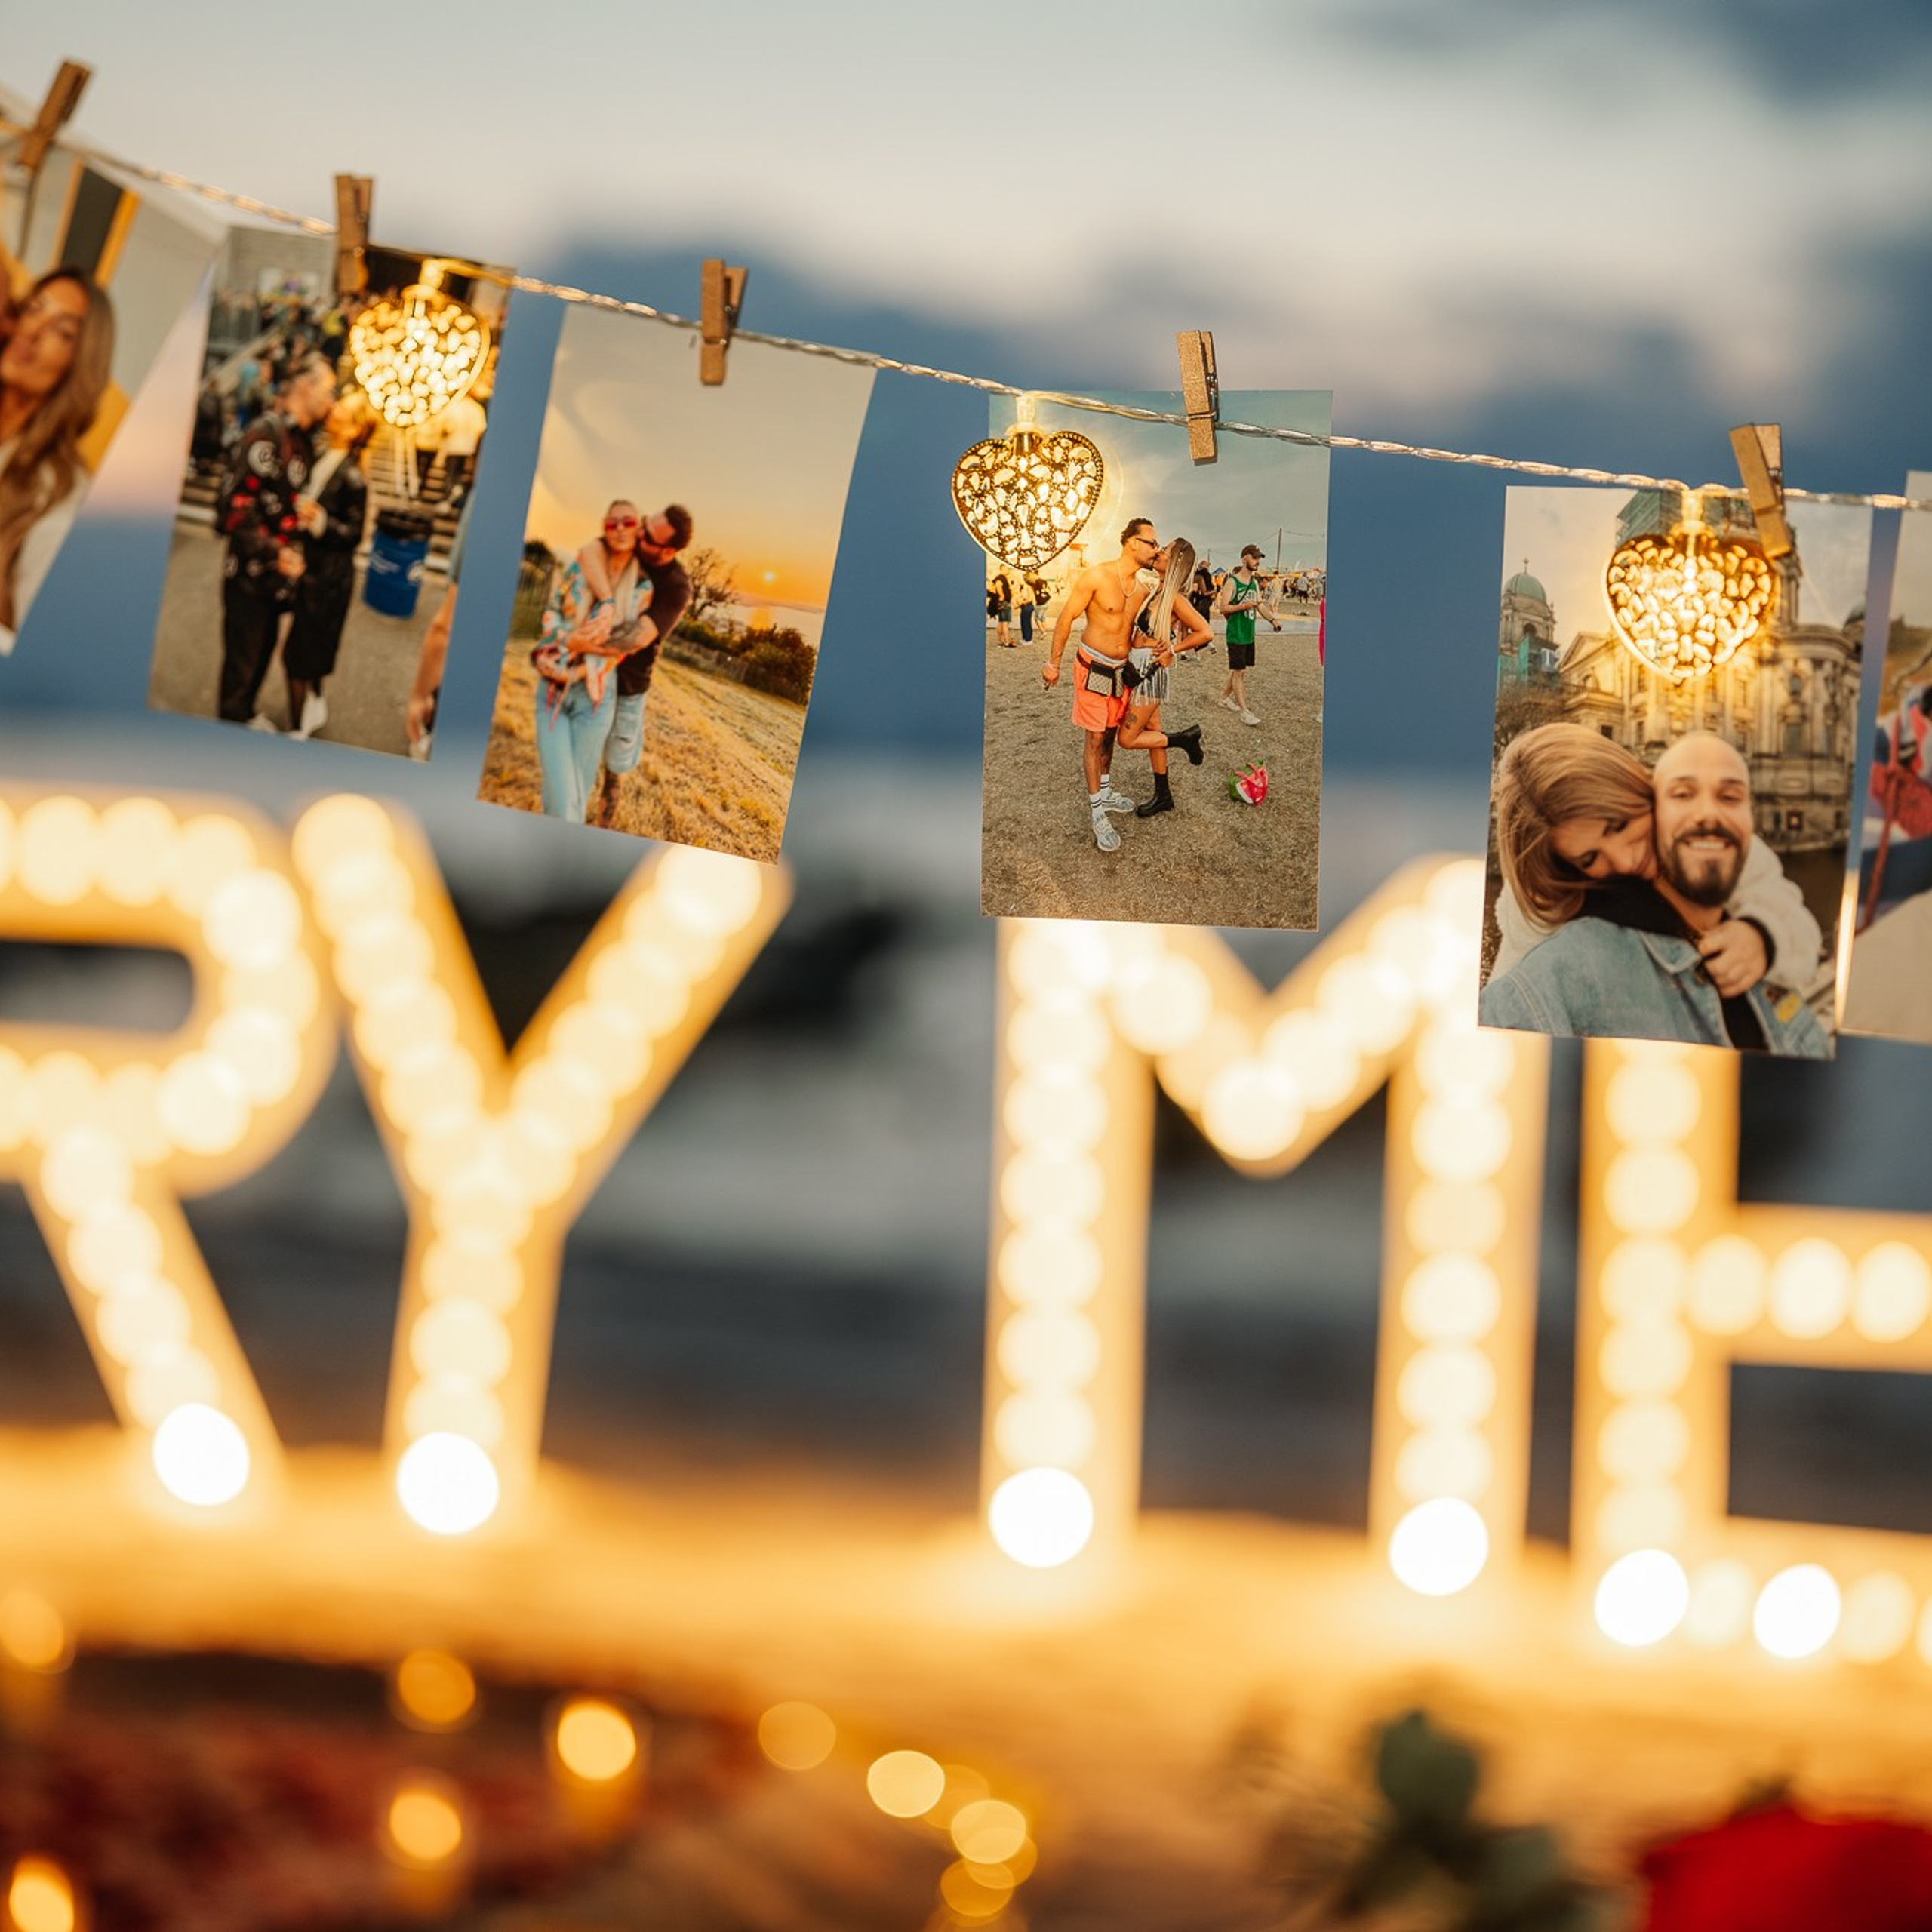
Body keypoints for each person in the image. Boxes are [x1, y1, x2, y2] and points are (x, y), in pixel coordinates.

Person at [1481, 731, 1827, 1055]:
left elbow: (1798, 924)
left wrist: (1762, 936)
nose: (1625, 861)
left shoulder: (1712, 840)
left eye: (1620, 825)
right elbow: (1515, 998)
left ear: (1637, 783)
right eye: (1590, 858)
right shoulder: (1548, 908)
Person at [214, 352, 336, 725]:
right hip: (248, 579)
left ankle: (246, 713)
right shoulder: (267, 432)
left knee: (263, 651)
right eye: (328, 391)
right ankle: (232, 722)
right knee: (242, 660)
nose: (331, 401)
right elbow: (234, 510)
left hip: (274, 582)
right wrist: (276, 551)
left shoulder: (302, 441)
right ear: (307, 386)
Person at [0, 270, 114, 657]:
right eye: (33, 310)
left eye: (63, 333)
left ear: (80, 363)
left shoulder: (60, 494)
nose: (32, 332)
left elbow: (42, 655)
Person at [1044, 516, 1163, 852]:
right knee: (1095, 738)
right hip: (1092, 668)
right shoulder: (1097, 575)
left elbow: (1138, 633)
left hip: (1121, 673)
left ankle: (1106, 791)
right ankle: (1097, 811)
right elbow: (1066, 617)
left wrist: (1157, 647)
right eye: (1152, 543)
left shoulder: (1143, 590)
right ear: (1132, 543)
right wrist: (1053, 663)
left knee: (1110, 735)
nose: (1156, 549)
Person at [532, 500, 651, 822]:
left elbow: (625, 644)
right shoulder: (582, 564)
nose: (620, 529)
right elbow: (553, 610)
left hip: (596, 699)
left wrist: (580, 669)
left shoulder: (642, 585)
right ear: (604, 528)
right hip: (553, 690)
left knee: (577, 796)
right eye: (613, 523)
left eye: (628, 522)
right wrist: (565, 640)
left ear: (639, 528)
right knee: (561, 797)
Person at [589, 503, 694, 829]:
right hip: (589, 673)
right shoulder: (625, 547)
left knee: (614, 768)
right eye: (644, 524)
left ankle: (600, 828)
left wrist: (577, 642)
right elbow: (591, 552)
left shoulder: (677, 587)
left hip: (629, 687)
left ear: (668, 551)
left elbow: (636, 638)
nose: (639, 533)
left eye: (648, 535)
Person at [281, 395, 374, 740]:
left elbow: (354, 534)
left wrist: (321, 522)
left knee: (296, 657)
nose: (332, 407)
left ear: (351, 430)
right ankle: (315, 701)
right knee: (312, 647)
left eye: (341, 409)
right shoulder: (323, 455)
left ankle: (296, 729)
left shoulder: (353, 476)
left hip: (328, 580)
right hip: (313, 571)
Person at [1117, 539, 1211, 817]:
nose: (1158, 552)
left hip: (1150, 672)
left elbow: (1205, 632)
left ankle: (1184, 739)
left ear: (1176, 562)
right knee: (1154, 731)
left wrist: (1173, 649)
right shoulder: (1157, 590)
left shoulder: (1176, 599)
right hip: (1140, 667)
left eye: (1165, 551)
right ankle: (1164, 795)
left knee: (1127, 739)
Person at [1215, 543, 1280, 725]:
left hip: (1248, 633)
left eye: (1259, 558)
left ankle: (1223, 698)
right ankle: (1244, 711)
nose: (1257, 561)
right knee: (1239, 672)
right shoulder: (1232, 582)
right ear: (1245, 559)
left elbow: (1260, 606)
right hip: (1236, 633)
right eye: (1254, 558)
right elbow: (1223, 608)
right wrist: (1243, 606)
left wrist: (1273, 620)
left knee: (1240, 671)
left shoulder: (1254, 583)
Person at [989, 571, 1013, 648]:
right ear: (1003, 569)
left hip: (1002, 602)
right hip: (1004, 603)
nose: (1009, 570)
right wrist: (1002, 596)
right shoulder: (1000, 578)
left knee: (1001, 622)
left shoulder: (1003, 578)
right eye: (1007, 569)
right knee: (1005, 623)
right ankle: (1006, 642)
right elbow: (998, 585)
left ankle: (1000, 641)